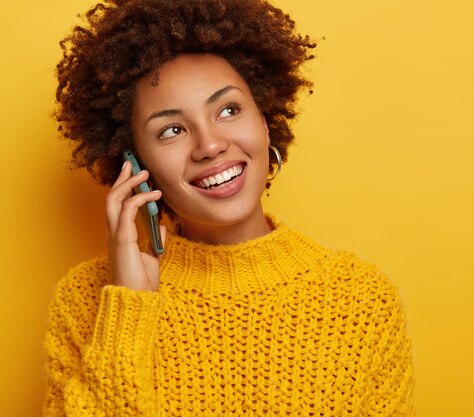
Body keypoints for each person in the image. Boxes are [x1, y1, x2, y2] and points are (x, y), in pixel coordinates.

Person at [44, 0, 416, 415]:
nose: (210, 145)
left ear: (264, 120)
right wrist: (128, 311)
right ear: (136, 164)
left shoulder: (361, 301)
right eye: (171, 130)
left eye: (228, 109)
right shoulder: (86, 301)